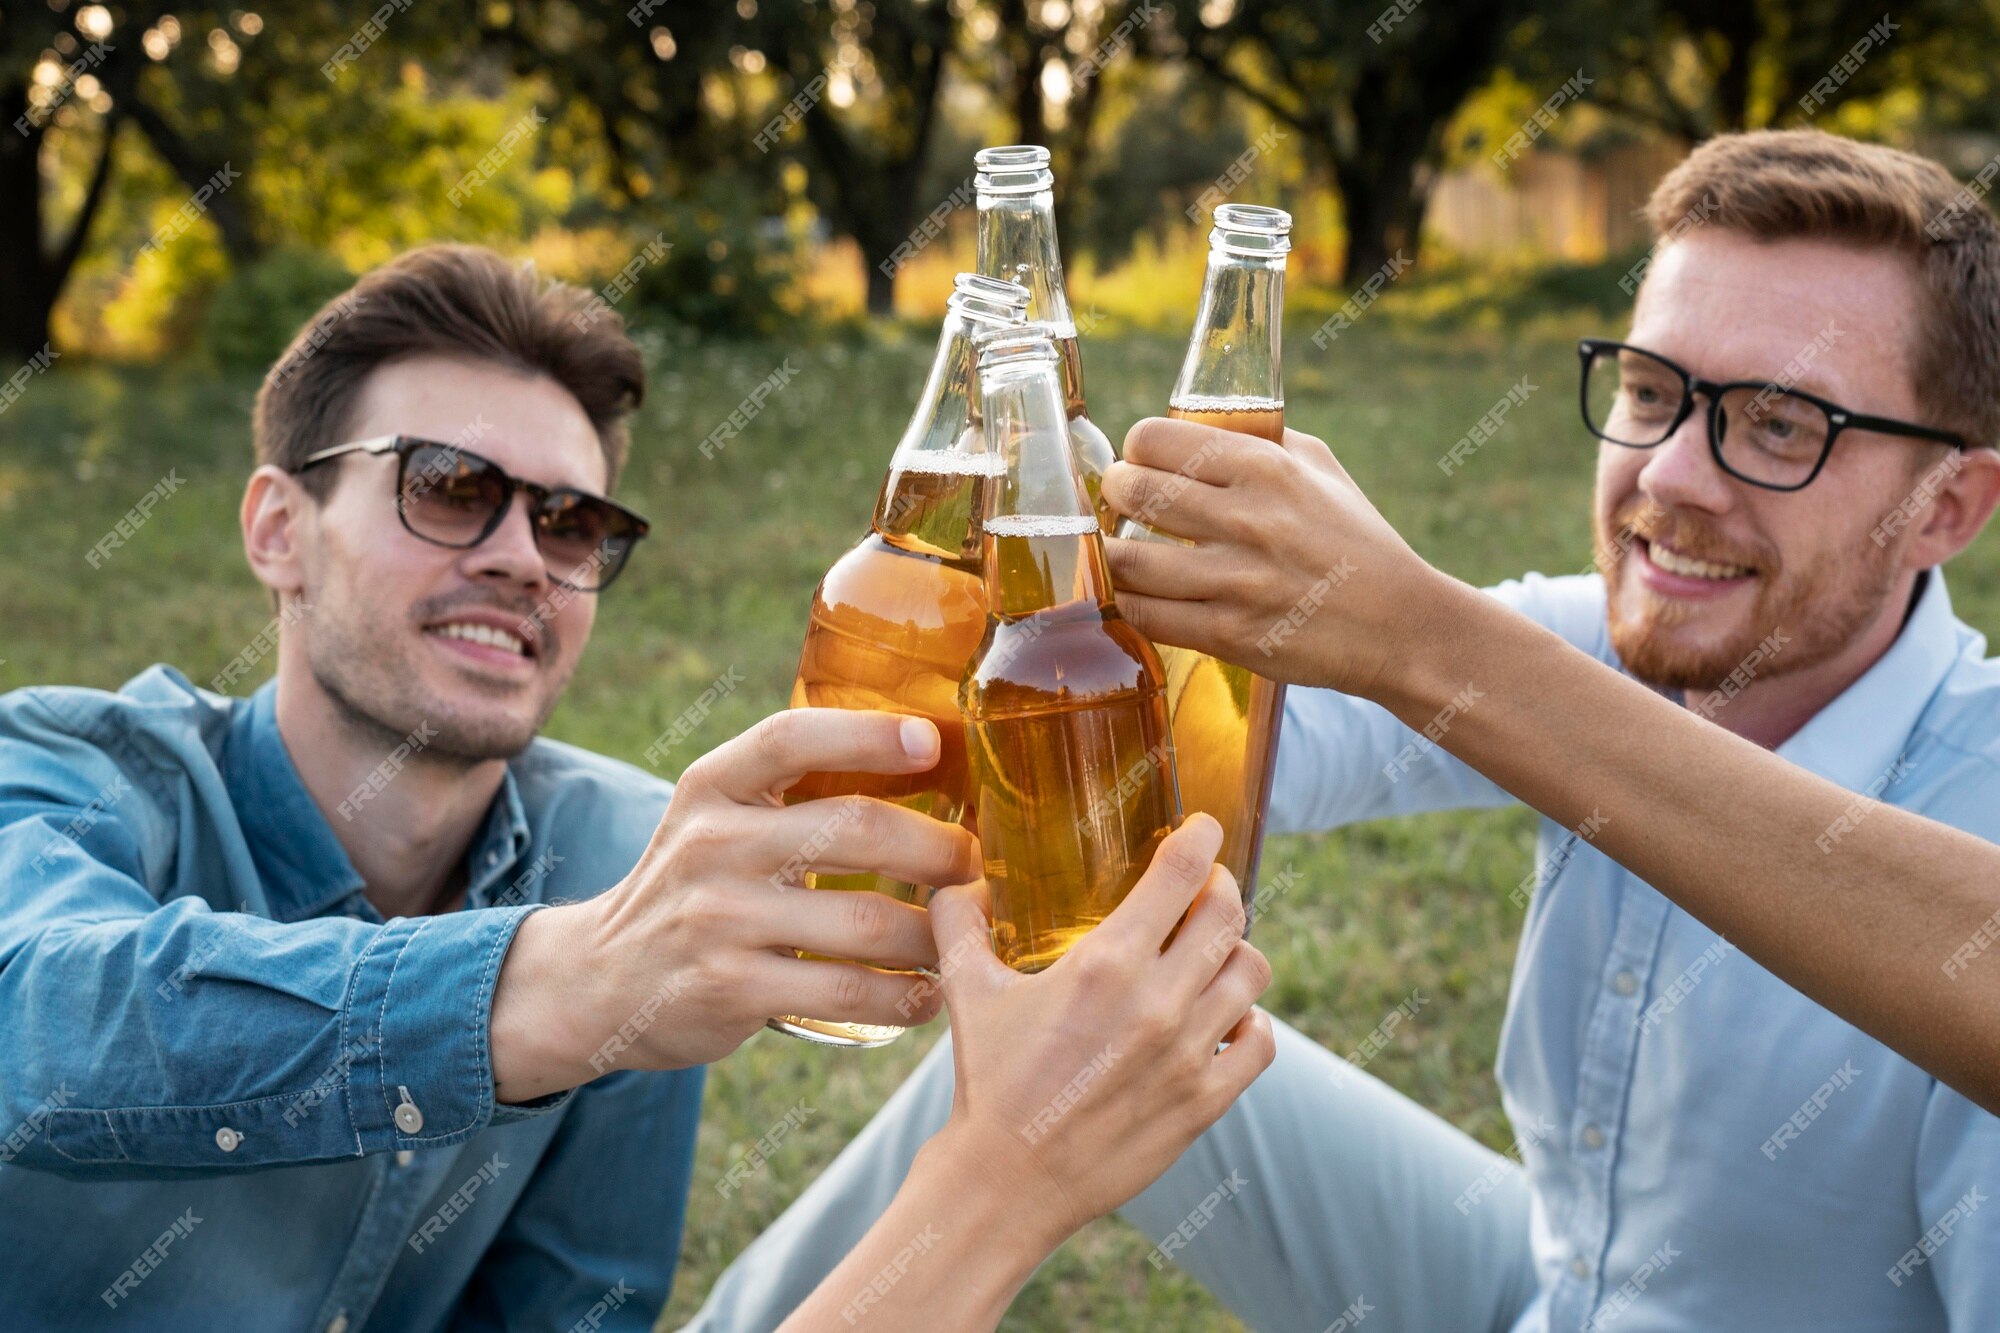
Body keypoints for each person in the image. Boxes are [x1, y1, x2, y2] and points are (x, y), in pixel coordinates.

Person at [688, 129, 2000, 1331]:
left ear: (1953, 504)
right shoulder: (1610, 651)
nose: (1667, 479)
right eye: (1651, 394)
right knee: (1070, 1063)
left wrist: (1425, 642)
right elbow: (1225, 756)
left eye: (1779, 424)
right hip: (1544, 1293)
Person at [0, 244, 1273, 1330]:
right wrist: (572, 979)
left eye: (569, 524)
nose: (520, 559)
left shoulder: (630, 850)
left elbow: (571, 1305)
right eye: (448, 489)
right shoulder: (63, 769)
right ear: (278, 528)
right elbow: (44, 1024)